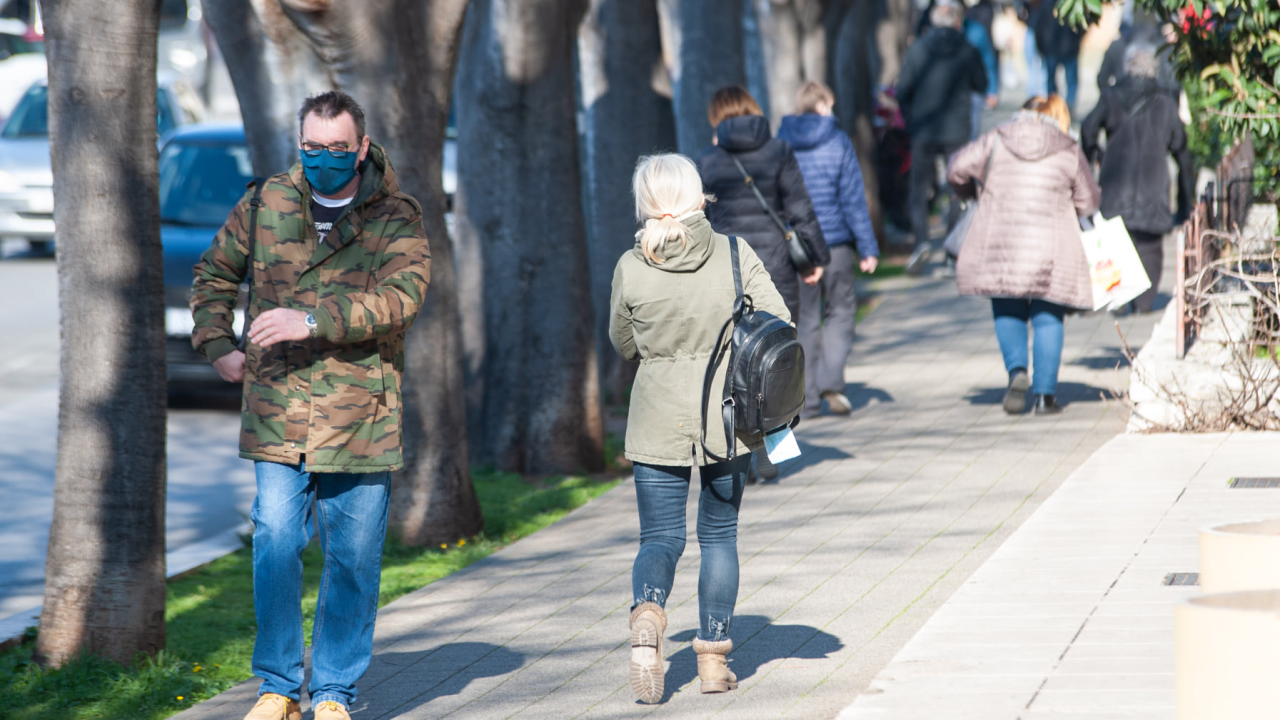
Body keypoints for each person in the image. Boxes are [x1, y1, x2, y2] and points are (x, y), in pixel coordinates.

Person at [191, 91, 432, 720]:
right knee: (273, 537)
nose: (323, 159)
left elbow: (402, 298)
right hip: (277, 407)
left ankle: (332, 693)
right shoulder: (267, 200)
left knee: (352, 558)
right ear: (299, 142)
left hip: (360, 416)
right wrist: (218, 343)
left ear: (360, 144)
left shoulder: (395, 214)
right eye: (311, 147)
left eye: (335, 148)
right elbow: (215, 273)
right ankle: (277, 686)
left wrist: (312, 319)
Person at [609, 153, 791, 703]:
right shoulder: (735, 254)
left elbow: (623, 342)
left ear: (645, 203)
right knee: (719, 536)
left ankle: (648, 614)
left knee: (659, 537)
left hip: (656, 415)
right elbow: (780, 321)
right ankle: (713, 661)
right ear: (699, 196)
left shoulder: (631, 265)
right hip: (728, 419)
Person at [947, 95, 1101, 415]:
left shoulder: (996, 138)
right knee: (1048, 317)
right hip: (1051, 248)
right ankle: (1045, 396)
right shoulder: (1067, 147)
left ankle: (1017, 372)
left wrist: (973, 193)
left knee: (1007, 307)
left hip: (1000, 241)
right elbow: (1088, 202)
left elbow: (956, 168)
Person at [776, 81, 880, 417]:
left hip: (797, 249)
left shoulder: (781, 144)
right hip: (835, 244)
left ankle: (805, 397)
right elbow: (853, 200)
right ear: (821, 105)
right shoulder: (838, 141)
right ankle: (831, 384)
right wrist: (868, 247)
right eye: (829, 105)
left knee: (803, 318)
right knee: (840, 311)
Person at [696, 84, 828, 324]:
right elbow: (800, 210)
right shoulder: (779, 150)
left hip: (728, 269)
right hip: (777, 267)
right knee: (781, 347)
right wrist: (816, 258)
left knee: (734, 353)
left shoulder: (707, 160)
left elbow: (700, 221)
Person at [1081, 42, 1194, 314]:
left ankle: (1119, 298)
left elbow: (1087, 128)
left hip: (1114, 182)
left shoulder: (1110, 97)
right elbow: (1182, 150)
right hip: (1152, 185)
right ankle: (1144, 303)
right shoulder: (1165, 103)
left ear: (1127, 67)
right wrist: (1184, 203)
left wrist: (1094, 154)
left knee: (1116, 239)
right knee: (1150, 245)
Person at [898, 0, 988, 276]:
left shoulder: (917, 49)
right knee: (957, 189)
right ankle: (953, 247)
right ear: (958, 23)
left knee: (918, 190)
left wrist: (912, 121)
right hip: (957, 131)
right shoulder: (967, 49)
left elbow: (902, 91)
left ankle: (922, 240)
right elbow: (981, 84)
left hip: (924, 130)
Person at [1034, 0, 1084, 113]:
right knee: (1060, 81)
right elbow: (1039, 26)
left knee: (1066, 81)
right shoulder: (1049, 4)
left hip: (1063, 48)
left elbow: (1039, 26)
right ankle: (1057, 107)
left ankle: (1062, 107)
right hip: (1059, 48)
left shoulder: (1070, 3)